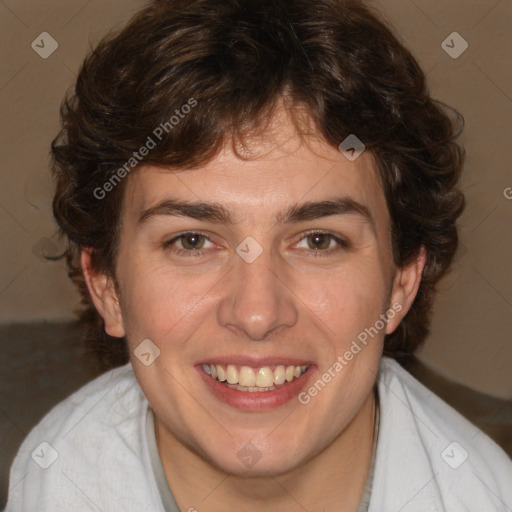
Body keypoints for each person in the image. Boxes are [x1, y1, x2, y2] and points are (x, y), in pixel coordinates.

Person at [5, 0, 512, 510]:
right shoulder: (58, 474)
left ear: (401, 283)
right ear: (107, 287)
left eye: (319, 240)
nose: (256, 314)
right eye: (192, 241)